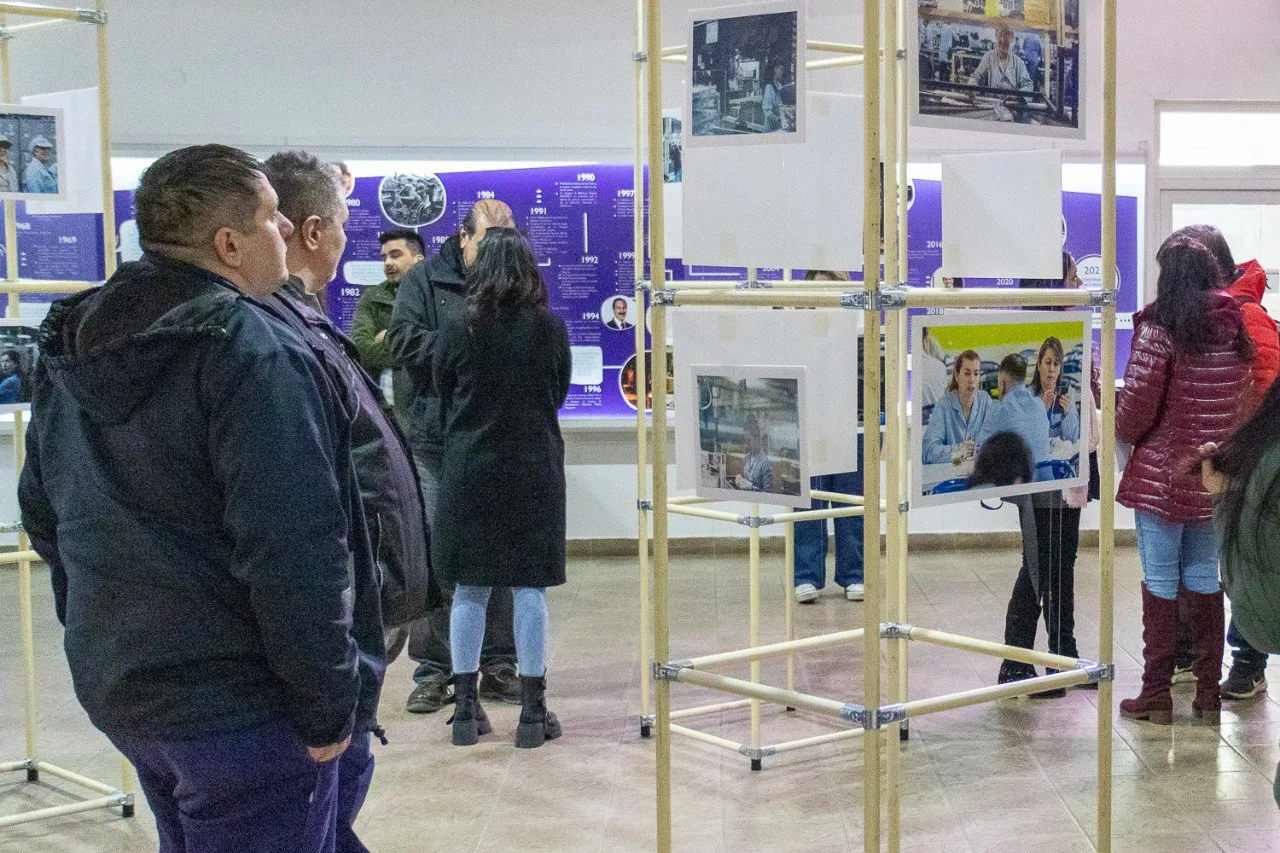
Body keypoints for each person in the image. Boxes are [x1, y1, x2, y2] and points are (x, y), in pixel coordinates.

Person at [17, 144, 359, 851]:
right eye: (272, 220)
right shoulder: (253, 350)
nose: (285, 235)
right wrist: (328, 705)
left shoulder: (78, 336)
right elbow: (292, 547)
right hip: (240, 706)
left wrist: (101, 626)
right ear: (230, 244)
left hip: (127, 687)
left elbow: (44, 511)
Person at [261, 150, 436, 852]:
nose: (348, 242)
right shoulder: (271, 344)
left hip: (352, 624)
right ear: (310, 230)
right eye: (341, 225)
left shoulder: (303, 326)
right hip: (326, 644)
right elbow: (292, 527)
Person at [434, 227, 571, 748]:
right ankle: (533, 714)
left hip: (470, 468)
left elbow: (444, 393)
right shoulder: (549, 328)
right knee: (528, 587)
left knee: (469, 587)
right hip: (533, 467)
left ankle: (466, 711)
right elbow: (555, 393)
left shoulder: (455, 327)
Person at [387, 199, 522, 714]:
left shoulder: (515, 283)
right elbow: (401, 342)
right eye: (487, 243)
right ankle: (436, 669)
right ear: (463, 239)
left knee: (503, 551)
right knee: (440, 555)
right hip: (435, 440)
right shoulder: (424, 282)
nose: (497, 254)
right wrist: (466, 345)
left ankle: (500, 662)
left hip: (494, 438)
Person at [1116, 232, 1253, 726]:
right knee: (1202, 578)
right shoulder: (1233, 327)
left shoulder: (1160, 329)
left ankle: (1156, 692)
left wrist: (1121, 426)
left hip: (1162, 476)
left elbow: (1133, 415)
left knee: (1159, 579)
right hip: (1209, 475)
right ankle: (1208, 695)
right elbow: (1241, 403)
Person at [1175, 224, 1280, 700]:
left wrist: (1239, 449)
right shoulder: (1220, 313)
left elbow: (1267, 389)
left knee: (1248, 558)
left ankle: (1247, 662)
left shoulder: (1246, 316)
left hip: (1248, 459)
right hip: (1226, 456)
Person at [793, 270, 865, 604]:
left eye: (831, 284)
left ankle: (854, 575)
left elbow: (871, 381)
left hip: (852, 424)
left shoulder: (859, 328)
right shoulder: (796, 330)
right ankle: (806, 576)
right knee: (808, 502)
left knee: (852, 502)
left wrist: (876, 428)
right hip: (808, 424)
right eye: (819, 285)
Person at [351, 229, 426, 415]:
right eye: (384, 258)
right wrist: (408, 342)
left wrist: (385, 336)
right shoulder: (372, 297)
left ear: (418, 259)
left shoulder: (435, 297)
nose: (388, 263)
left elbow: (439, 349)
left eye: (396, 255)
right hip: (382, 407)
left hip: (425, 405)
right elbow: (361, 350)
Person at [977, 354, 1050, 469]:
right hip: (1047, 482)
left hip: (1019, 484)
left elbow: (981, 449)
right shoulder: (1039, 403)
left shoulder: (999, 409)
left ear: (1001, 378)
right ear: (1025, 378)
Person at [922, 348, 989, 464]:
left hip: (978, 473)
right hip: (949, 475)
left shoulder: (985, 400)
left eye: (976, 373)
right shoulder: (943, 405)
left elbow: (994, 443)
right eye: (967, 373)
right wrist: (959, 451)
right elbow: (928, 451)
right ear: (957, 376)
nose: (972, 380)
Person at [968, 23, 1033, 93]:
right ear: (996, 37)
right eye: (1000, 35)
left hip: (1012, 102)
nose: (1002, 40)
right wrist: (972, 84)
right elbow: (977, 77)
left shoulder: (1019, 62)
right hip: (991, 102)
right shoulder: (988, 57)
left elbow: (1028, 85)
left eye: (1005, 35)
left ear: (1012, 38)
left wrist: (1018, 97)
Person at [734, 414, 774, 493]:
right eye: (745, 441)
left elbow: (768, 494)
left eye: (749, 441)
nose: (746, 444)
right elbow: (746, 479)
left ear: (757, 438)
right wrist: (739, 479)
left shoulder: (765, 462)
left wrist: (751, 487)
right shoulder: (747, 457)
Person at [762, 63, 788, 132]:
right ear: (775, 70)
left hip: (779, 126)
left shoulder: (779, 85)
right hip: (770, 127)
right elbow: (768, 112)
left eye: (783, 70)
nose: (782, 72)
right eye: (781, 69)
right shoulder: (769, 87)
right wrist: (780, 122)